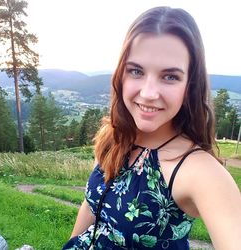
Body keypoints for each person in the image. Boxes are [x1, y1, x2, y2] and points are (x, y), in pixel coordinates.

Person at [62, 6, 241, 250]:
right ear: (121, 75)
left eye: (170, 77)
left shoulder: (198, 171)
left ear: (190, 85)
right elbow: (91, 205)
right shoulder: (114, 136)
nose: (148, 93)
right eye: (136, 71)